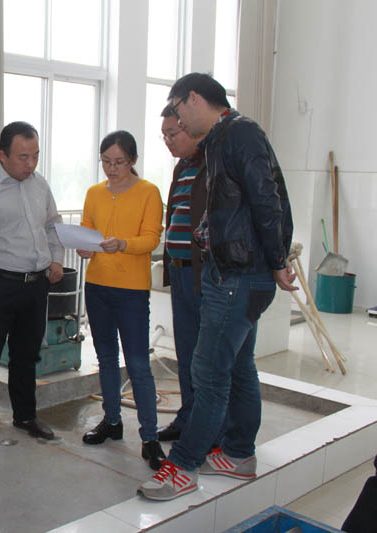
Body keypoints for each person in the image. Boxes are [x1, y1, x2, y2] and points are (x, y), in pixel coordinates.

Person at [139, 72, 297, 501]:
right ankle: (239, 453)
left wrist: (277, 259)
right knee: (239, 367)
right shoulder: (220, 140)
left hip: (238, 275)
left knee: (208, 373)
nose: (177, 122)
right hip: (229, 271)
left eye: (177, 111)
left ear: (193, 99)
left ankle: (184, 466)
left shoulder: (239, 134)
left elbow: (269, 199)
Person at [0, 121, 65, 454]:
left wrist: (56, 259)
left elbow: (53, 225)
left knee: (26, 355)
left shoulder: (39, 185)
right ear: (2, 155)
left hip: (35, 285)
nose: (30, 164)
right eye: (23, 157)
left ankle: (25, 416)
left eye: (35, 156)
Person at [77, 131, 166, 470]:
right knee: (106, 358)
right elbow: (86, 230)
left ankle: (150, 437)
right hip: (97, 285)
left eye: (119, 162)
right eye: (106, 162)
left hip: (131, 290)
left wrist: (123, 244)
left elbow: (151, 239)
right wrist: (84, 247)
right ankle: (112, 420)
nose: (112, 169)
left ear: (133, 161)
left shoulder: (148, 192)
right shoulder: (94, 193)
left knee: (138, 364)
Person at [156, 105, 207, 443]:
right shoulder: (182, 167)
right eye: (164, 136)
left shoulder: (212, 165)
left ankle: (208, 427)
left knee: (208, 357)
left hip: (204, 275)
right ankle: (187, 417)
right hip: (179, 272)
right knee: (186, 352)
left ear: (190, 127)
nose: (168, 141)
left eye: (172, 134)